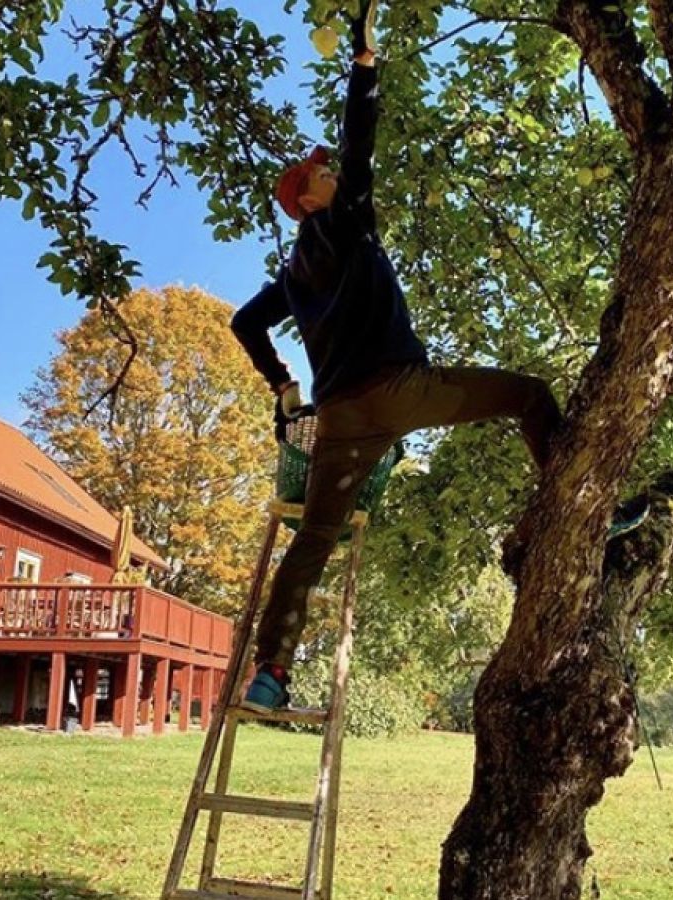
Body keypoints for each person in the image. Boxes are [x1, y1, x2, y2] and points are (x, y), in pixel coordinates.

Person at [230, 1, 645, 712]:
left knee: (314, 538)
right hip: (398, 390)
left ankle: (270, 672)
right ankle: (587, 512)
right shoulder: (343, 221)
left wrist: (283, 386)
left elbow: (244, 323)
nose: (333, 175)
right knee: (529, 395)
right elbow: (359, 143)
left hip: (339, 418)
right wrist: (364, 68)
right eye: (321, 175)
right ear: (306, 197)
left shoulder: (294, 276)